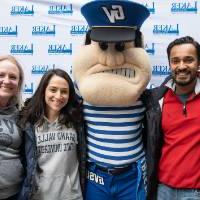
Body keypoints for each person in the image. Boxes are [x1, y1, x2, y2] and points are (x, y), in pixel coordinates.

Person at [73, 1, 151, 199]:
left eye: (121, 46)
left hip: (132, 175)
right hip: (95, 175)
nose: (112, 60)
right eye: (103, 45)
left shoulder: (145, 94)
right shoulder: (78, 92)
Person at [144, 36, 200, 200]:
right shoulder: (157, 99)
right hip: (162, 189)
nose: (181, 66)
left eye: (188, 60)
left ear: (198, 64)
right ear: (170, 64)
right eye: (175, 61)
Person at [18, 69, 86, 200]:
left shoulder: (77, 121)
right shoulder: (28, 123)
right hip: (38, 196)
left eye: (64, 91)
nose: (59, 96)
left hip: (71, 196)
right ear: (44, 90)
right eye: (53, 90)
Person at [0, 55, 24, 200]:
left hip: (13, 194)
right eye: (1, 75)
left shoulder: (23, 115)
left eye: (13, 77)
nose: (7, 81)